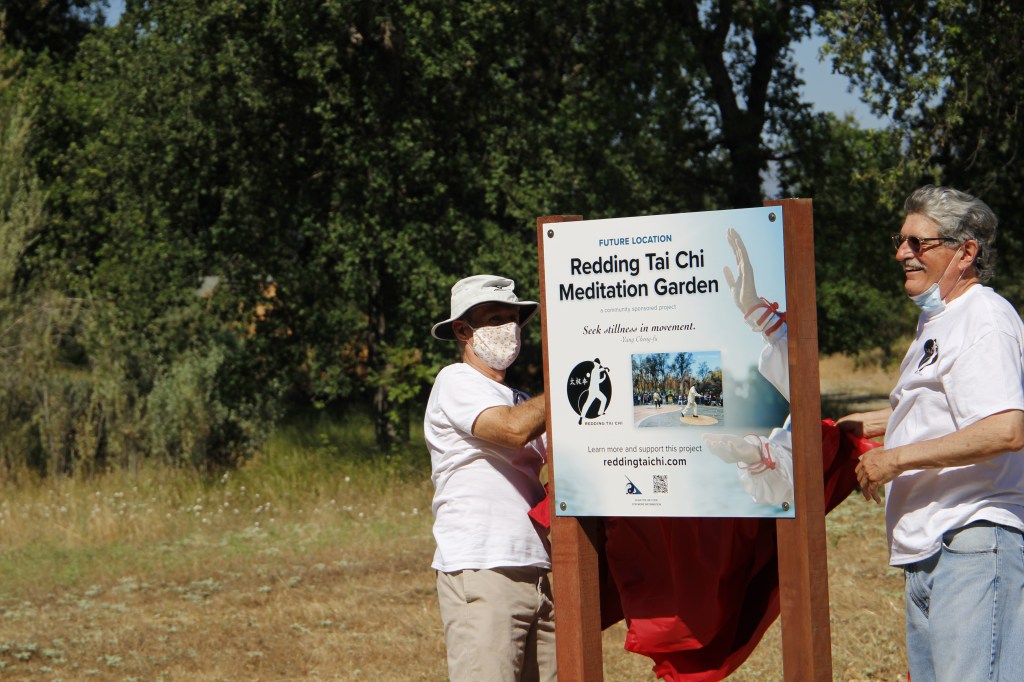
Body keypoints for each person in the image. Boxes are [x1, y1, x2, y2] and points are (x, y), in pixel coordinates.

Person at [838, 186, 1024, 682]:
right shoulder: (939, 323)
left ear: (966, 252)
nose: (902, 253)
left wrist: (894, 460)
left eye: (919, 243)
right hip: (933, 551)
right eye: (902, 240)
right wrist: (855, 428)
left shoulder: (984, 318)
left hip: (972, 543)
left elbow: (1006, 428)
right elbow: (936, 408)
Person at [424, 274, 555, 682]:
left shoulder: (519, 399)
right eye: (494, 318)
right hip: (483, 567)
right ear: (463, 330)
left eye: (513, 318)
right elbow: (511, 430)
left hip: (539, 570)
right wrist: (573, 383)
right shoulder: (455, 381)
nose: (508, 328)